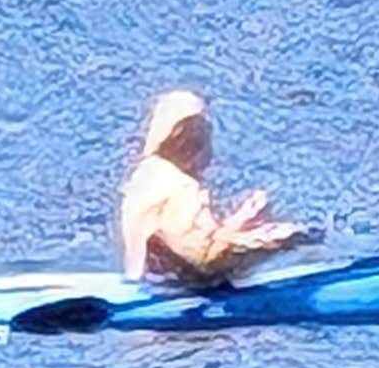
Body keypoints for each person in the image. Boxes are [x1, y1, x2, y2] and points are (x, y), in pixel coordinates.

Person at [117, 89, 312, 287]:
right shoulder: (181, 187)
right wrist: (267, 239)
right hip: (178, 292)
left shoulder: (147, 174)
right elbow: (201, 260)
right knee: (293, 234)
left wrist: (240, 221)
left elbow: (184, 241)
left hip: (145, 280)